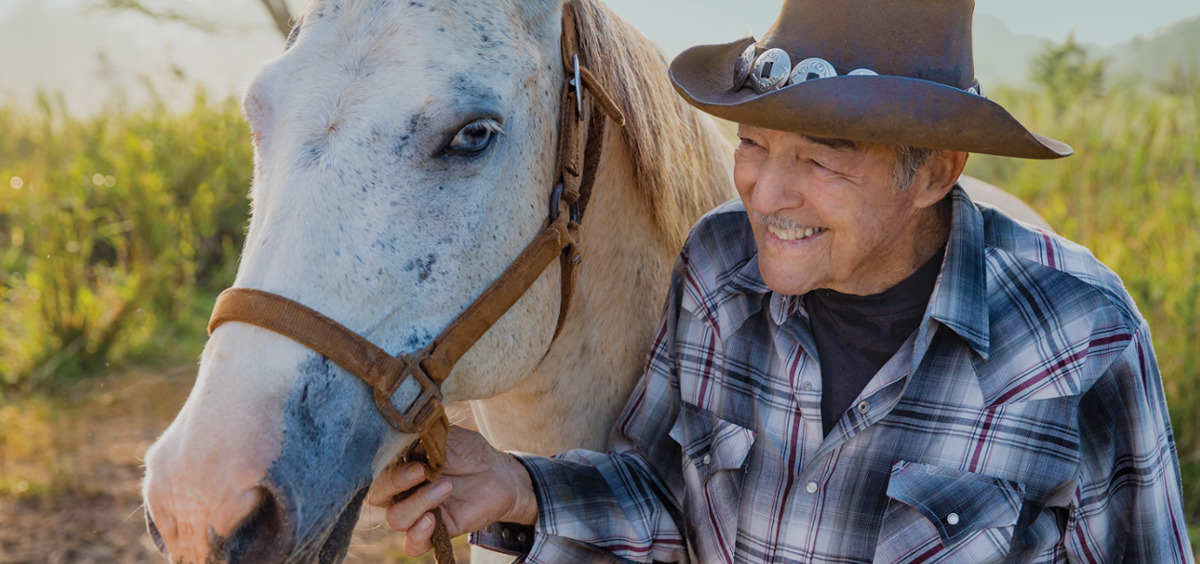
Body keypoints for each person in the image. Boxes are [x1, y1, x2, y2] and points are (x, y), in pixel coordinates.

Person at [367, 0, 1193, 561]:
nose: (763, 193)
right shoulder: (718, 269)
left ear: (936, 172)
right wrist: (516, 487)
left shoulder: (1080, 339)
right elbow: (660, 497)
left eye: (819, 161)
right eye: (755, 145)